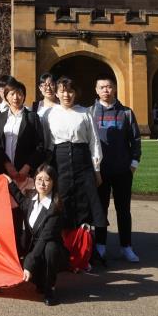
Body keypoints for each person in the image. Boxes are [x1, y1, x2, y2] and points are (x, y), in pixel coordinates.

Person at [90, 77, 142, 264]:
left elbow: (135, 139)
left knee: (123, 210)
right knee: (100, 209)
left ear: (115, 88)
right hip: (100, 171)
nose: (106, 90)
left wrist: (134, 163)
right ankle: (100, 245)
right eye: (102, 87)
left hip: (122, 170)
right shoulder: (90, 112)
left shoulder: (126, 112)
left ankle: (126, 246)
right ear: (96, 90)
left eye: (109, 86)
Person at [44, 77, 106, 232]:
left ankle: (84, 241)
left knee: (83, 200)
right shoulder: (49, 114)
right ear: (56, 93)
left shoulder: (85, 113)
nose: (66, 95)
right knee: (61, 199)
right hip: (59, 162)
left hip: (82, 162)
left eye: (70, 91)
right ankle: (63, 241)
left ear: (75, 93)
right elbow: (47, 142)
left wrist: (96, 170)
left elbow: (94, 141)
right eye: (62, 91)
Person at [0, 78, 47, 250]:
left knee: (28, 213)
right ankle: (13, 251)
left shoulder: (32, 117)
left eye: (19, 93)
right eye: (12, 94)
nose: (16, 97)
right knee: (10, 213)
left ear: (24, 96)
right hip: (6, 174)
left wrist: (27, 167)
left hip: (26, 175)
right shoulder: (0, 117)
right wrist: (7, 165)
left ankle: (29, 252)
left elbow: (40, 146)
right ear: (6, 96)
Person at [6, 165, 69, 306]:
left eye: (47, 180)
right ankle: (40, 280)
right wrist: (10, 183)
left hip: (49, 251)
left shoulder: (56, 207)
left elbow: (44, 238)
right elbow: (21, 201)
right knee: (37, 283)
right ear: (34, 180)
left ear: (53, 183)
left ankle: (50, 288)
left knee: (50, 247)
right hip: (33, 249)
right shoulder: (32, 199)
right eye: (39, 179)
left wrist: (29, 264)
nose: (42, 183)